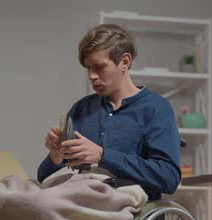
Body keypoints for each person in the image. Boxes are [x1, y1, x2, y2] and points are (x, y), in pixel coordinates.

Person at [37, 24, 181, 202]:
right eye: (88, 68)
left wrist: (103, 156)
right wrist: (56, 155)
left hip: (132, 219)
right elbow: (43, 179)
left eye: (99, 67)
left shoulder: (157, 108)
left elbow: (169, 178)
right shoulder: (81, 109)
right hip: (79, 212)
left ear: (125, 62)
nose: (92, 76)